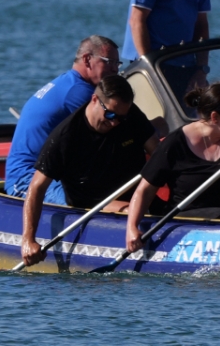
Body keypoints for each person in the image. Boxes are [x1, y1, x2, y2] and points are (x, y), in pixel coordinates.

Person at [18, 75, 154, 266]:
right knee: (137, 209)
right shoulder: (65, 136)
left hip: (138, 194)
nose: (115, 123)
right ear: (94, 100)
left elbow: (158, 154)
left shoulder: (130, 115)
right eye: (110, 115)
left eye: (121, 118)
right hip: (95, 204)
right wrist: (28, 239)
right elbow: (36, 187)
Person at [124, 81, 220, 253]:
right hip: (190, 215)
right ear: (214, 117)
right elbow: (145, 190)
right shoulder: (175, 143)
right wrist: (132, 227)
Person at [4, 35, 119, 195]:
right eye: (109, 62)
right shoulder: (78, 93)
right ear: (87, 60)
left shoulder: (68, 82)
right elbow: (119, 132)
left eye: (117, 63)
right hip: (26, 179)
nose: (115, 69)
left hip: (50, 173)